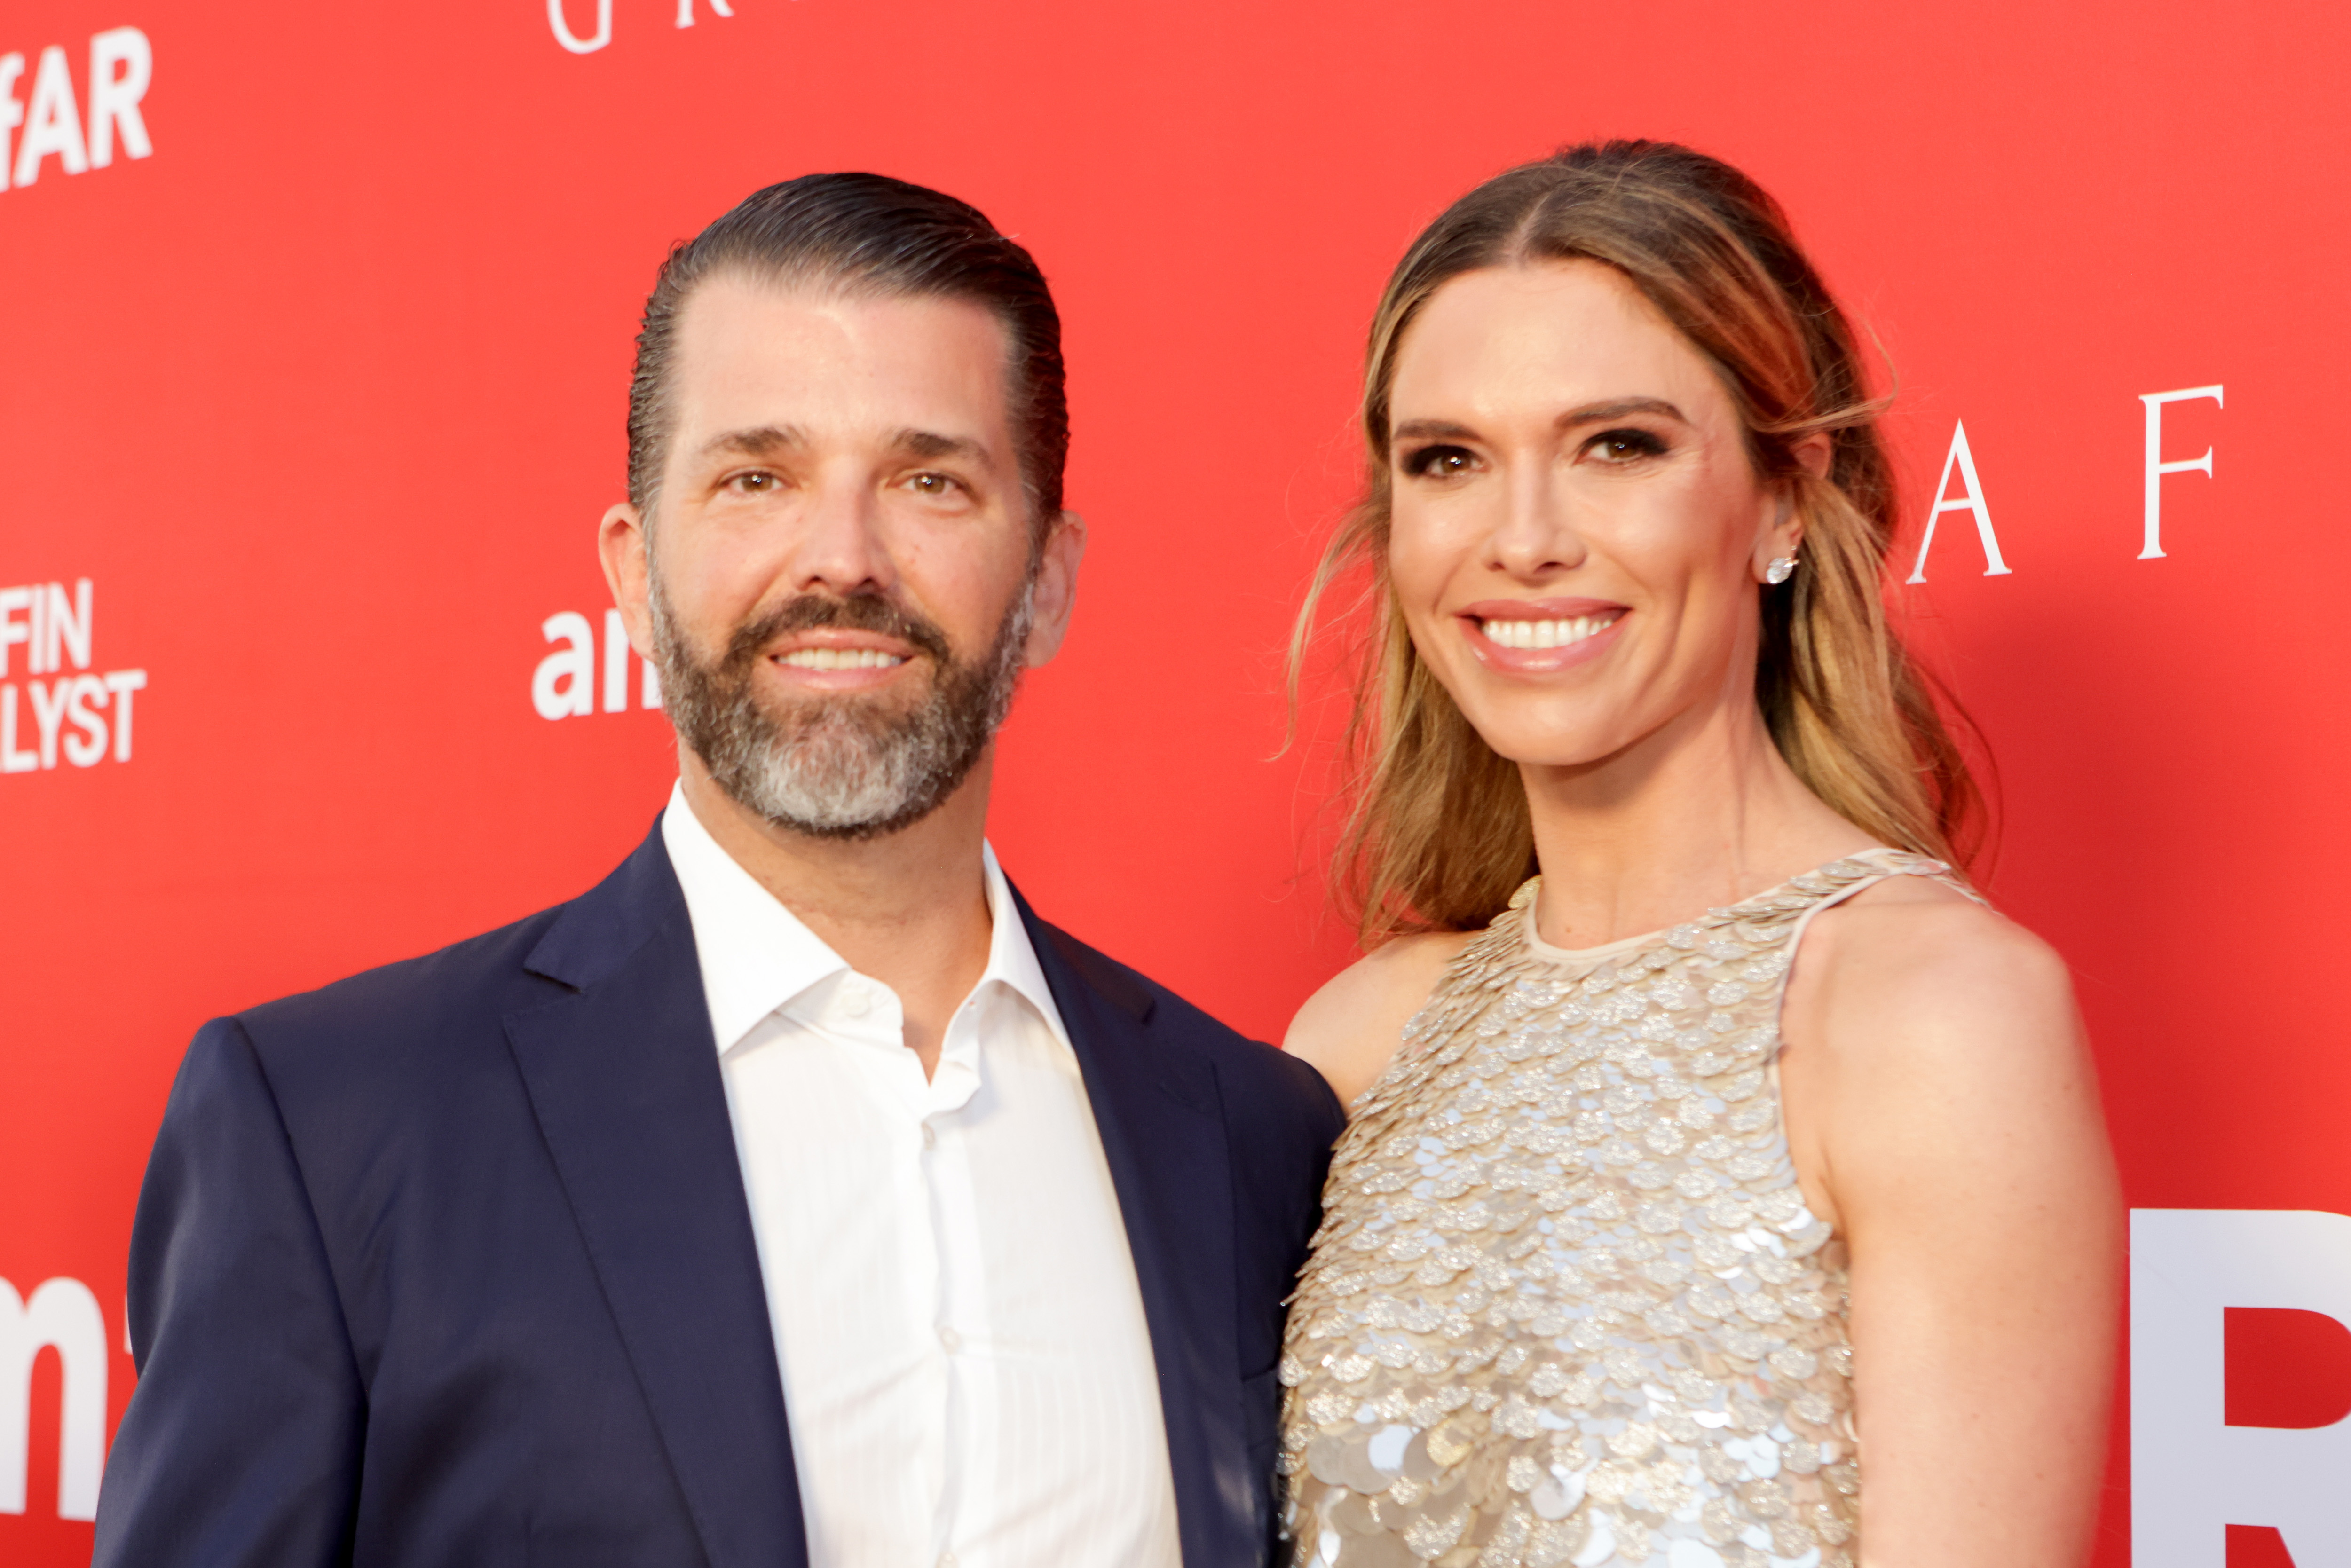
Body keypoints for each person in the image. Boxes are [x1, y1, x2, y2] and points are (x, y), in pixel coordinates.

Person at [92, 173, 1343, 1568]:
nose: (843, 559)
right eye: (758, 477)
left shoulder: (1254, 1137)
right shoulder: (327, 1130)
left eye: (931, 481)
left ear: (1047, 581)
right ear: (633, 574)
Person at [1277, 142, 2121, 1568]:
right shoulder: (1363, 1038)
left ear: (1786, 499)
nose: (1524, 539)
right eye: (1450, 462)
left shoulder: (1931, 1015)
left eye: (1619, 446)